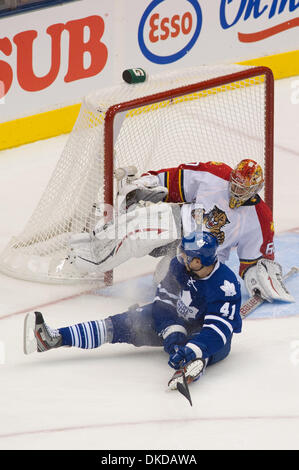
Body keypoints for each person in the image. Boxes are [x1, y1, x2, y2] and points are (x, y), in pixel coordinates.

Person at [24, 231, 242, 390]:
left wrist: (190, 348)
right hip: (172, 319)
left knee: (208, 347)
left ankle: (196, 362)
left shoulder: (226, 286)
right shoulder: (178, 265)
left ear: (198, 261)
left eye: (187, 256)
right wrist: (172, 333)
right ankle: (55, 338)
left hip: (204, 332)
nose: (181, 257)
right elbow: (164, 301)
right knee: (122, 323)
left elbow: (218, 331)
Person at [68, 159, 294, 304]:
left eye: (242, 188)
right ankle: (82, 257)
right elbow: (177, 178)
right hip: (180, 223)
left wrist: (258, 277)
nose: (235, 190)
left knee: (165, 287)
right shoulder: (216, 174)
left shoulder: (260, 217)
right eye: (234, 184)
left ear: (255, 189)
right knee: (135, 233)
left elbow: (253, 260)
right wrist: (149, 181)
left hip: (202, 259)